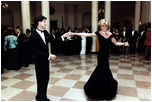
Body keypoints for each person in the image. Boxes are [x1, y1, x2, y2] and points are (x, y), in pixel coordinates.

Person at [63, 19, 129, 100]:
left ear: (107, 26)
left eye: (103, 26)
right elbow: (86, 35)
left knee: (105, 69)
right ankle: (96, 88)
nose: (102, 27)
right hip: (101, 55)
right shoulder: (98, 33)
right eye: (101, 26)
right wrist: (73, 33)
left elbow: (116, 43)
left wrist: (124, 43)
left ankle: (106, 87)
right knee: (101, 69)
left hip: (106, 55)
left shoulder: (111, 34)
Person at [30, 15, 56, 101]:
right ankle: (41, 97)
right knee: (41, 79)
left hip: (45, 61)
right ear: (39, 22)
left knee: (46, 78)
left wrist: (64, 37)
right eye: (44, 21)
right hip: (39, 61)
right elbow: (34, 51)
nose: (46, 23)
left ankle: (42, 96)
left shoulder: (45, 32)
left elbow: (53, 40)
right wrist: (48, 55)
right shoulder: (33, 35)